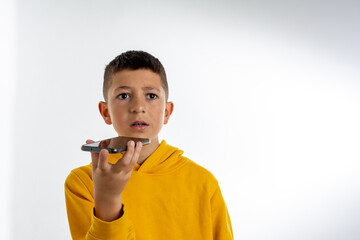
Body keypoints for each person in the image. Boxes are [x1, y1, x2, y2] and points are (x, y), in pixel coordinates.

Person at [64, 50, 233, 239]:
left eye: (151, 96)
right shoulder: (84, 182)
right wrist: (107, 198)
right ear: (105, 112)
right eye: (124, 96)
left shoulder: (204, 183)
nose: (138, 107)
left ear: (167, 112)